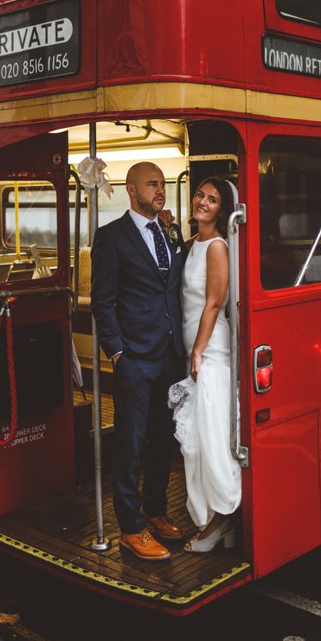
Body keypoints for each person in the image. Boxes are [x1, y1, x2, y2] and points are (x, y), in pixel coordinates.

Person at [89, 161, 187, 560]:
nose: (160, 190)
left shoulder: (168, 229)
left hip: (170, 354)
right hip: (134, 356)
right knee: (130, 442)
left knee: (163, 439)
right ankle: (130, 528)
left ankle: (156, 510)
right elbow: (102, 300)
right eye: (152, 184)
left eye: (162, 183)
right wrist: (116, 352)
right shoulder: (111, 237)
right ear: (131, 190)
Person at [174, 177, 241, 552]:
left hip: (211, 352)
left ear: (222, 210)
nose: (202, 202)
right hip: (193, 349)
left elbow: (214, 303)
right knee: (198, 439)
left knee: (212, 440)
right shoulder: (192, 245)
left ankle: (217, 522)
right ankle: (220, 523)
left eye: (212, 199)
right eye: (200, 194)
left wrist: (198, 350)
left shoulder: (217, 246)